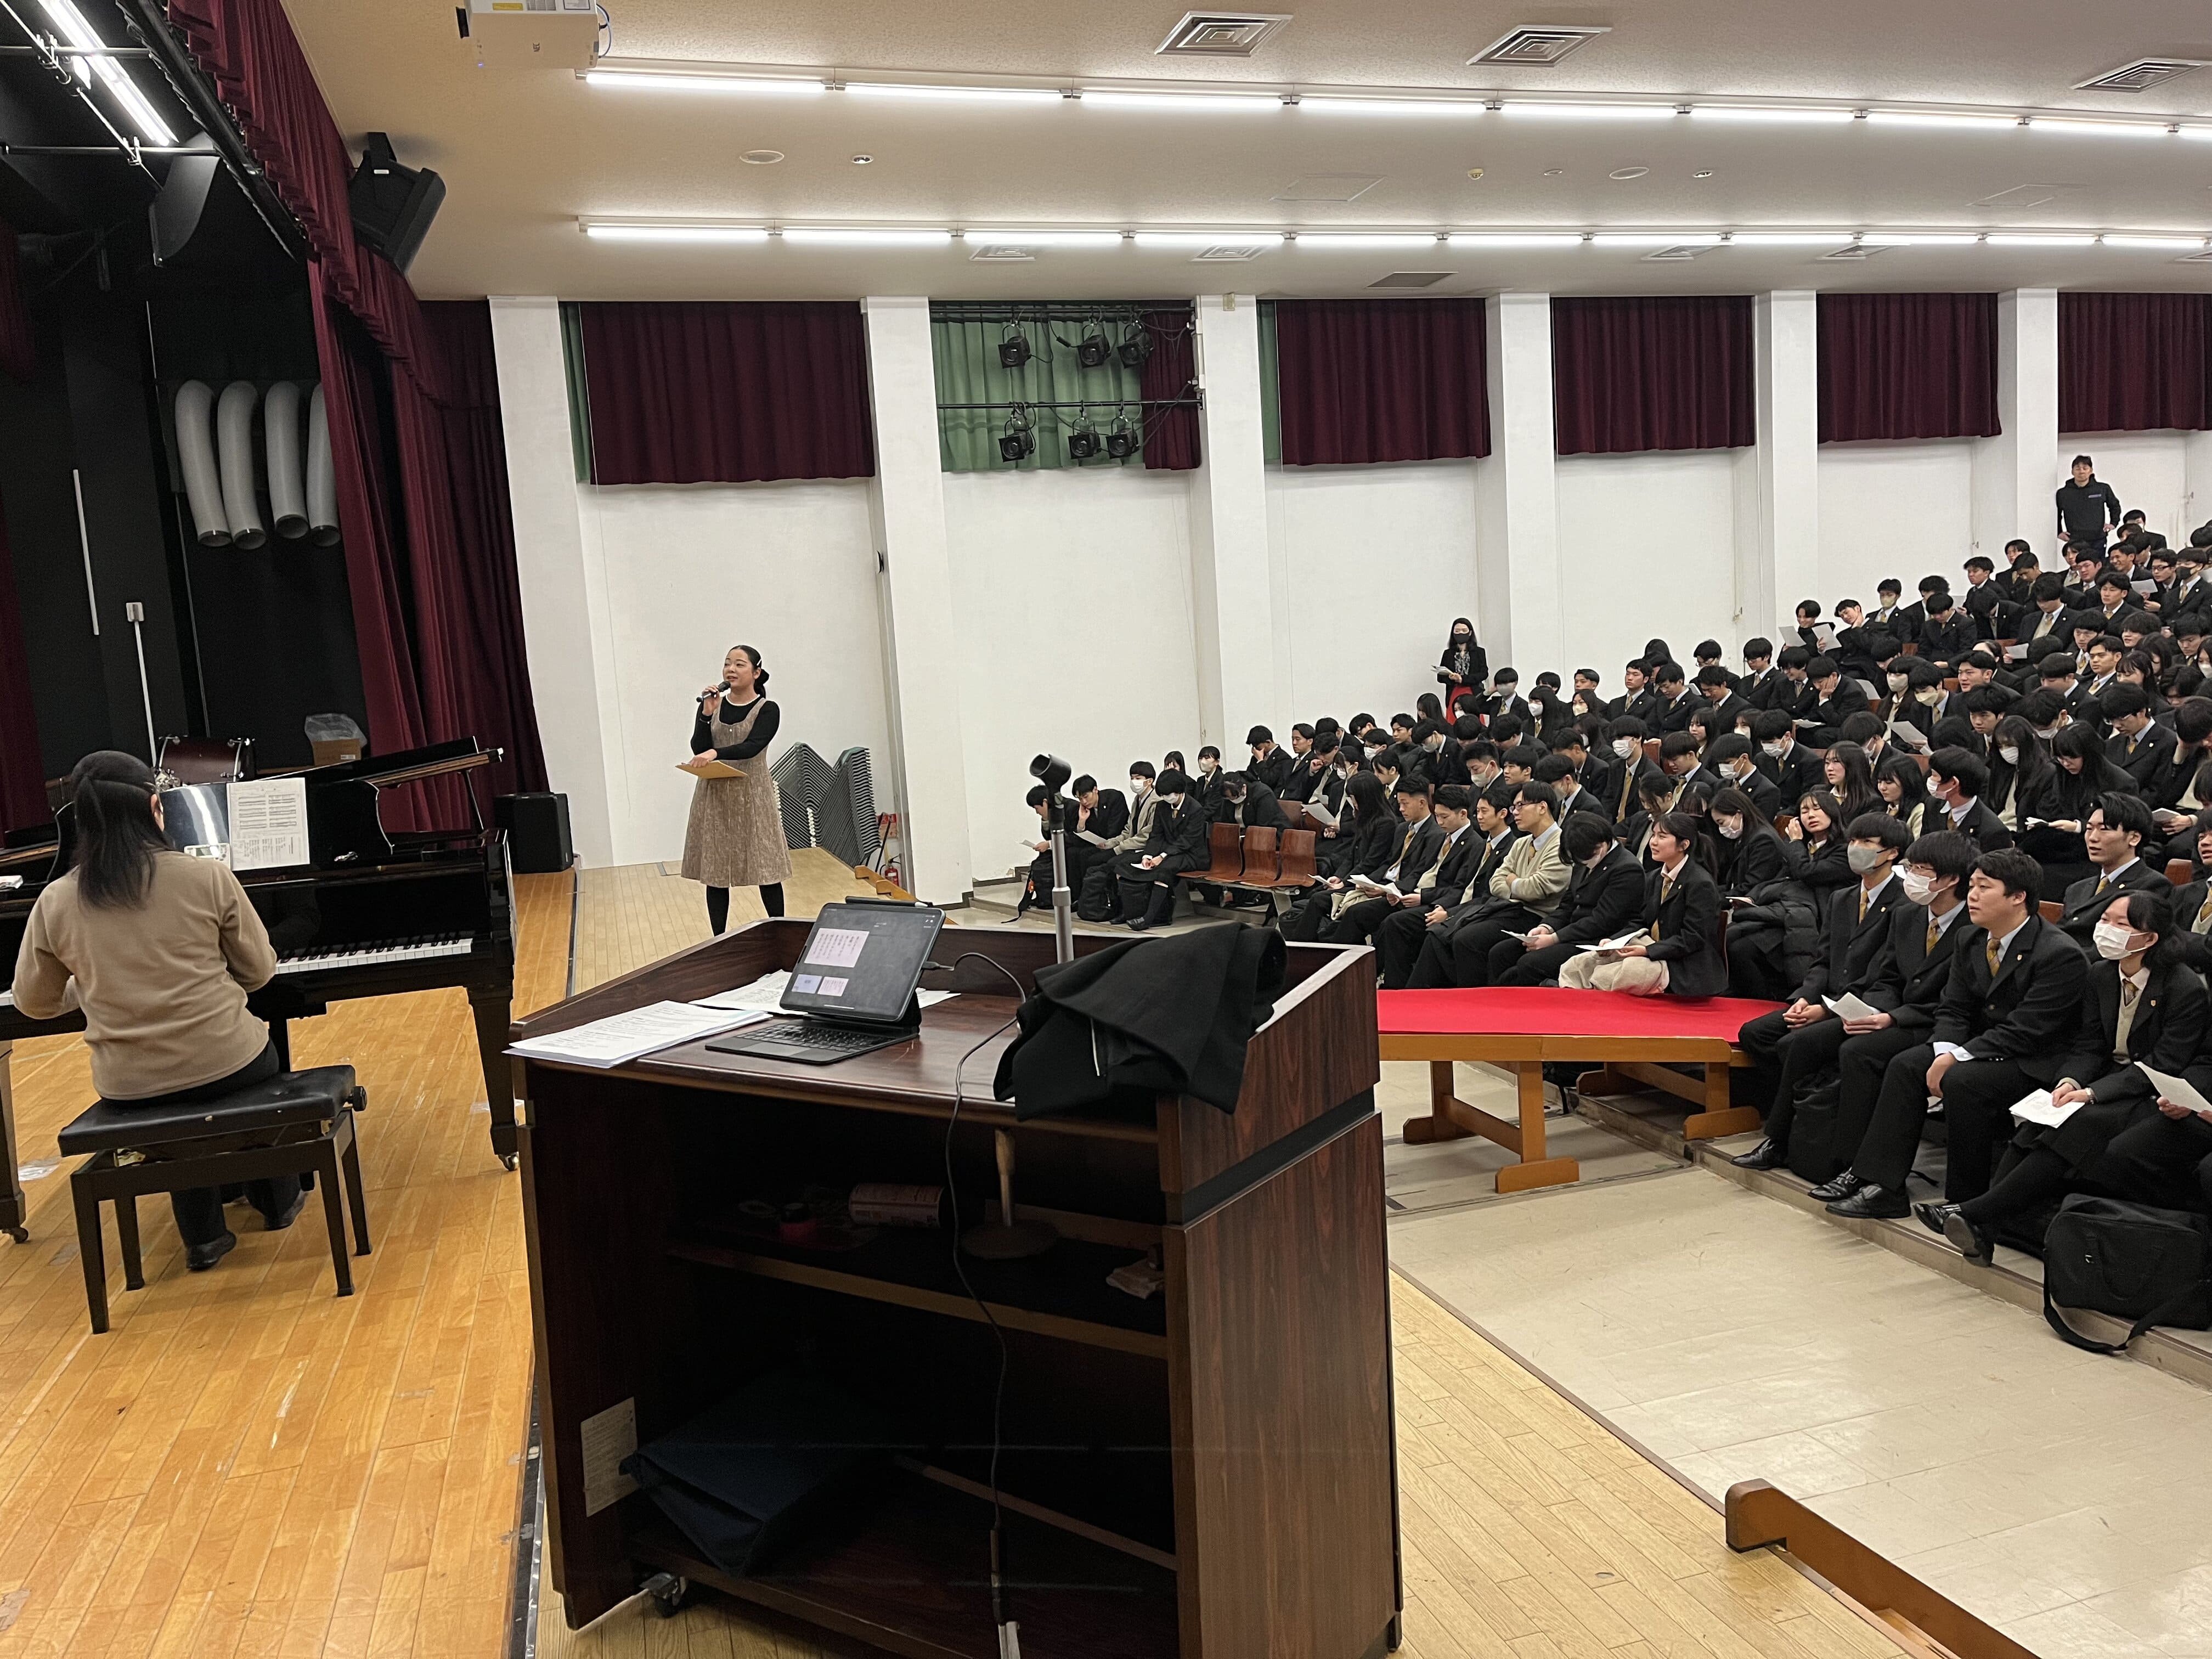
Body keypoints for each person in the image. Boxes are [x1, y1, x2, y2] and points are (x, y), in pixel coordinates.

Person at [11, 752, 302, 1272]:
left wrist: (91, 985)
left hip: (128, 1084)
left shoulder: (55, 901)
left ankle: (204, 1237)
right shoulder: (205, 877)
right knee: (256, 1057)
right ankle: (277, 1201)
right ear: (154, 806)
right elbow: (260, 973)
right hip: (229, 1061)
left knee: (166, 1099)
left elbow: (34, 1003)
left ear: (82, 820)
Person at [1915, 890, 2209, 1260]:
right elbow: (2088, 1045)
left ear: (2150, 939)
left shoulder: (2183, 988)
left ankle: (1973, 1213)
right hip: (2102, 1078)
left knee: (2079, 1124)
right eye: (2105, 920)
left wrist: (2091, 1093)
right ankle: (1979, 1217)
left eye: (2122, 924)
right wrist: (2070, 1081)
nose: (2107, 929)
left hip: (2146, 1091)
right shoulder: (2101, 974)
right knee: (2039, 1123)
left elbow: (2164, 1063)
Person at [1822, 849, 2088, 1217]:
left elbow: (2028, 1029)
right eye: (1972, 885)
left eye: (1984, 887)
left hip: (2034, 1058)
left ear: (2018, 896)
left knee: (1965, 1081)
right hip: (1983, 1044)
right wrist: (1944, 1048)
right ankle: (1883, 1185)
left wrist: (1957, 1056)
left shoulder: (2058, 953)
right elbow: (1955, 1007)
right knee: (1907, 1065)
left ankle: (1965, 1202)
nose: (1973, 895)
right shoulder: (1971, 938)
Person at [1730, 814, 1912, 1167]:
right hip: (1826, 998)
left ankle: (1779, 1140)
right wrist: (1805, 997)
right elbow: (1822, 959)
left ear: (1891, 853)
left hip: (1866, 1005)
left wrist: (1829, 1011)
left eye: (1867, 844)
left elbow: (1886, 974)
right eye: (1854, 842)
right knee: (1756, 1033)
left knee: (1794, 1043)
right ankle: (1792, 1113)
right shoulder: (1842, 898)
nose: (1855, 850)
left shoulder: (1905, 904)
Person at [682, 644, 792, 934]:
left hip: (752, 796)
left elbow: (752, 747)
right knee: (716, 871)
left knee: (765, 867)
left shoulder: (768, 709)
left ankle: (778, 932)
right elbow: (699, 747)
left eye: (740, 664)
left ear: (756, 672)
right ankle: (718, 939)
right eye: (728, 663)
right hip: (715, 796)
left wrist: (715, 754)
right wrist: (706, 715)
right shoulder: (712, 705)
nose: (731, 669)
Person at [1557, 811, 1723, 997]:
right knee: (1580, 963)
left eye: (1662, 837)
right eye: (1653, 835)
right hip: (1649, 947)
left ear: (1683, 845)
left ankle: (1594, 1003)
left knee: (1627, 972)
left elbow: (1693, 938)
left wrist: (1648, 951)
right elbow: (1641, 921)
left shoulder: (1700, 883)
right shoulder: (1655, 878)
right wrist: (1615, 941)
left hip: (1681, 962)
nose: (1653, 842)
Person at [2050, 793, 2170, 942]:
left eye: (2104, 829)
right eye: (2089, 829)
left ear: (2134, 838)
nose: (2093, 838)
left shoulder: (2152, 885)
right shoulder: (2077, 889)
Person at [1119, 769, 1211, 930]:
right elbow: (1156, 835)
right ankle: (1129, 911)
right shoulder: (1163, 807)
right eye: (1163, 795)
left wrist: (1162, 856)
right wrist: (1148, 855)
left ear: (1179, 791)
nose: (1167, 798)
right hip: (1169, 852)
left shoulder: (1195, 809)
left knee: (1165, 868)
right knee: (1125, 862)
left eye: (1169, 794)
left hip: (1192, 854)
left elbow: (1187, 840)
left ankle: (1149, 918)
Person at [2057, 455, 2124, 550]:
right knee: (2078, 565)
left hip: (2098, 539)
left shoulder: (2102, 489)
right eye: (2078, 469)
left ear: (2091, 471)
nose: (2082, 471)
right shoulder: (2063, 493)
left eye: (2085, 468)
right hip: (2075, 539)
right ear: (2072, 472)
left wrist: (2113, 523)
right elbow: (2057, 514)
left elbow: (2115, 506)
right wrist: (2059, 532)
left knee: (2098, 564)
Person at [1438, 617, 1488, 716]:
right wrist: (1452, 678)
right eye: (1457, 631)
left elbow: (1484, 673)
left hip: (1473, 691)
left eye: (1464, 631)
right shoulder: (1448, 653)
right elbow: (1440, 677)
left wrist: (1462, 679)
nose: (1460, 633)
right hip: (1453, 691)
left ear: (1470, 633)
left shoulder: (1479, 652)